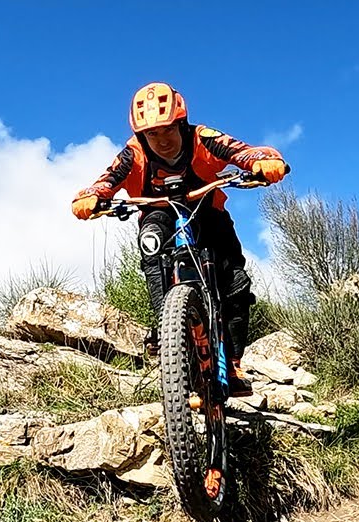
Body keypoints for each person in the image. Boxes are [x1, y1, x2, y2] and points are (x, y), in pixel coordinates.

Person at [71, 82, 289, 396]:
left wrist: (262, 162)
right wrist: (91, 196)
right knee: (151, 243)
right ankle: (168, 337)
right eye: (152, 134)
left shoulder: (202, 138)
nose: (161, 140)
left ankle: (235, 363)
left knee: (236, 282)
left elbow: (240, 150)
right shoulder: (135, 153)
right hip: (157, 213)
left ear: (181, 122)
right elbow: (109, 178)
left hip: (206, 209)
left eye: (167, 130)